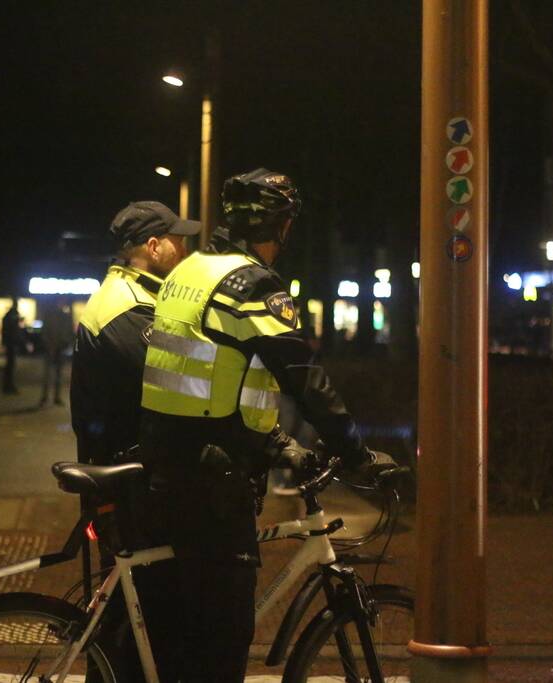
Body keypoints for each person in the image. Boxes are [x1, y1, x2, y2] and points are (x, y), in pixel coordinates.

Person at [139, 169, 387, 682]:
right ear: (281, 226)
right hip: (211, 480)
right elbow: (304, 377)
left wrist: (276, 443)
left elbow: (209, 380)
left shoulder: (191, 271)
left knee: (185, 628)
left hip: (172, 460)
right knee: (225, 636)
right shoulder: (249, 283)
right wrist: (356, 452)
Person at [70, 200, 197, 682]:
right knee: (134, 624)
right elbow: (181, 378)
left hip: (131, 481)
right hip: (129, 489)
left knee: (131, 622)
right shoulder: (128, 310)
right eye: (178, 239)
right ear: (153, 245)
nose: (185, 248)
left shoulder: (136, 297)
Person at [39, 300, 75, 407]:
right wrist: (48, 343)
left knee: (56, 374)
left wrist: (65, 342)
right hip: (52, 347)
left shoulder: (64, 317)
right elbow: (45, 332)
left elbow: (69, 332)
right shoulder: (52, 316)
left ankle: (54, 397)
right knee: (49, 374)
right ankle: (46, 397)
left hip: (59, 347)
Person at [1, 300, 23, 395]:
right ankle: (8, 386)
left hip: (10, 342)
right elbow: (12, 330)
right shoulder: (11, 317)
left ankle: (8, 385)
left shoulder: (8, 316)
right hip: (11, 343)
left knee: (10, 365)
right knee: (10, 365)